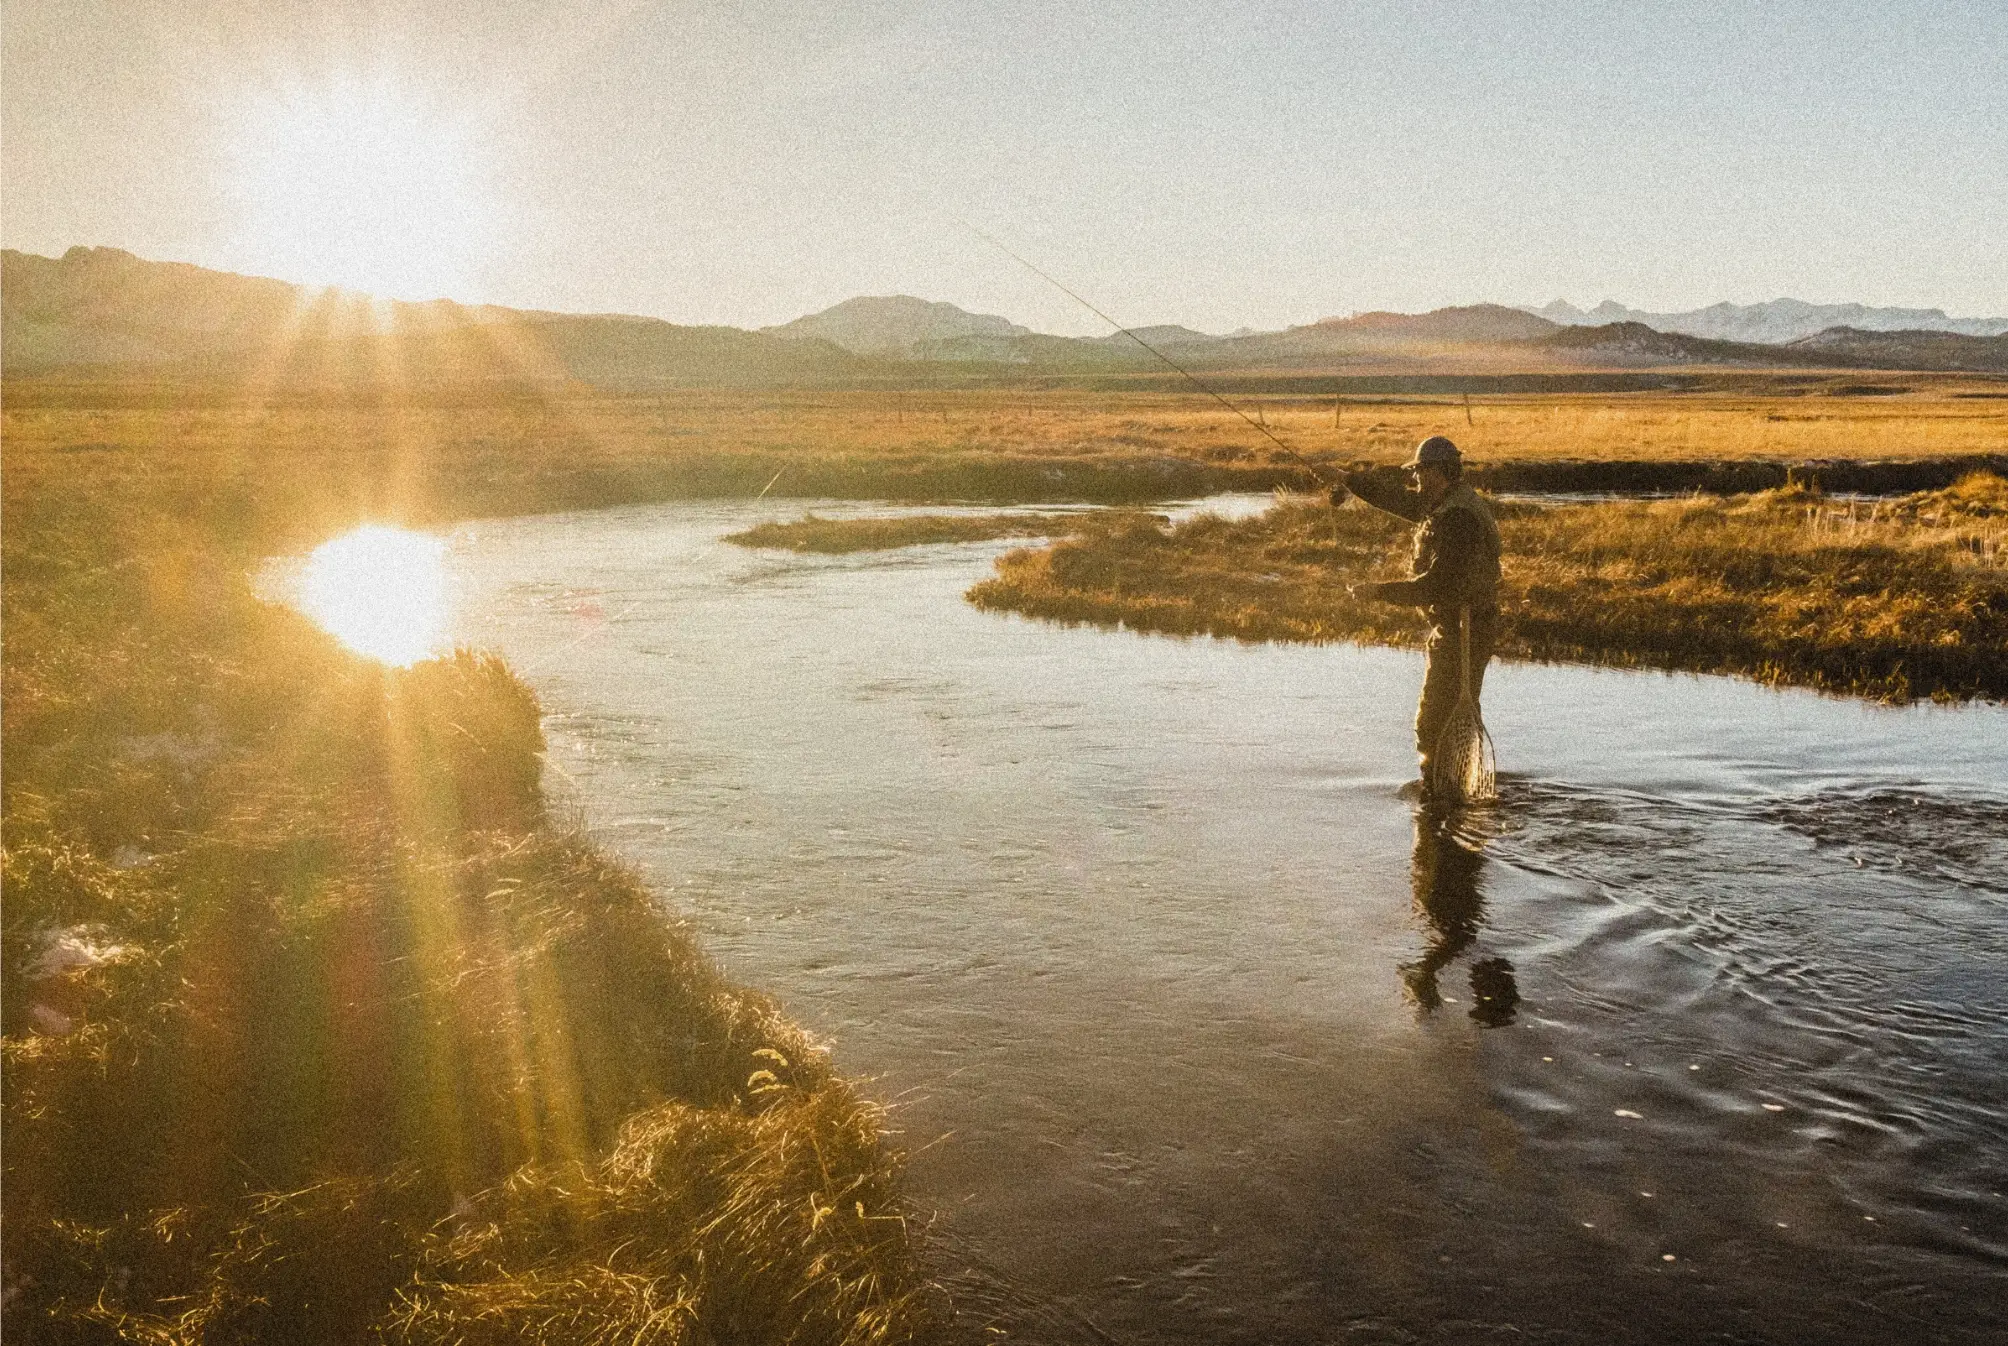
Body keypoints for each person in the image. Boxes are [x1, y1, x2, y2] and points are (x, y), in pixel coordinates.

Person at [1334, 436, 1502, 791]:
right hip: (1461, 626)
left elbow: (1437, 585)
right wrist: (1347, 479)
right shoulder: (1446, 502)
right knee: (1450, 718)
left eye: (1421, 471)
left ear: (1440, 471)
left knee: (1433, 723)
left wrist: (1378, 591)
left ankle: (1440, 797)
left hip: (1463, 630)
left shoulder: (1458, 518)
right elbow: (1399, 501)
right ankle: (1452, 791)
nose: (1416, 479)